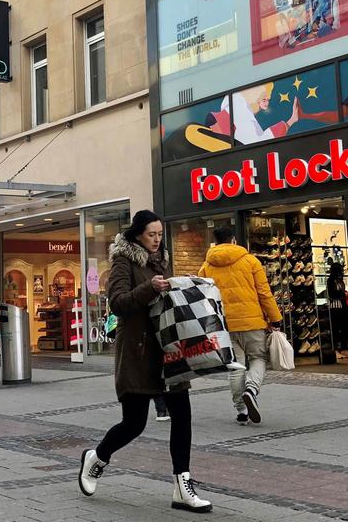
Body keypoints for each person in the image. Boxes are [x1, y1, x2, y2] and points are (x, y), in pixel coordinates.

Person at [79, 210, 211, 513]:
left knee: (183, 416)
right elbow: (118, 303)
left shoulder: (160, 260)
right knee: (134, 423)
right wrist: (150, 287)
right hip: (138, 353)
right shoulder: (123, 261)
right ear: (137, 233)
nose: (157, 239)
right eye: (151, 234)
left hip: (168, 349)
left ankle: (182, 486)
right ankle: (96, 458)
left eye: (160, 234)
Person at [198, 226, 282, 426]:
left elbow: (203, 297)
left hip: (224, 325)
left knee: (236, 366)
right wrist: (275, 318)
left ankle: (242, 411)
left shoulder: (206, 266)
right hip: (252, 322)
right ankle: (251, 390)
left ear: (215, 242)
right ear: (234, 240)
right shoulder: (250, 261)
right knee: (258, 358)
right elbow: (264, 292)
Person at [327, 262, 348, 358]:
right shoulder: (330, 281)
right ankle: (336, 349)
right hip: (335, 307)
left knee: (344, 328)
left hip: (343, 306)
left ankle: (344, 348)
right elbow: (332, 294)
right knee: (336, 328)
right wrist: (344, 294)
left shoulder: (340, 280)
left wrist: (345, 293)